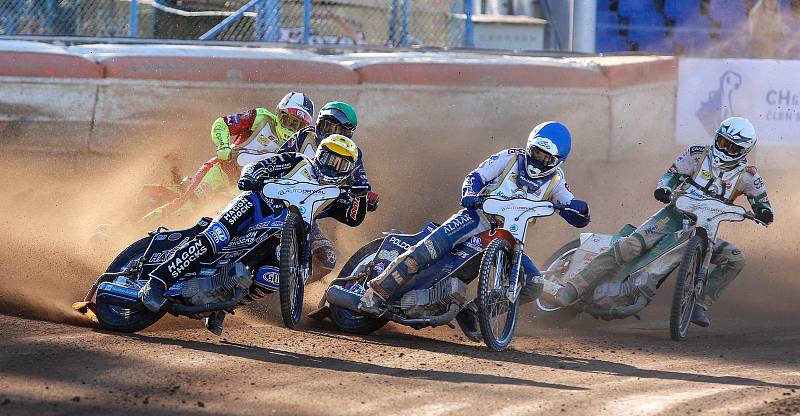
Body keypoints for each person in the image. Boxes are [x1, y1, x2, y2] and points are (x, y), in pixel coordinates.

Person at [358, 121, 590, 340]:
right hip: (476, 217)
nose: (539, 160)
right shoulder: (509, 157)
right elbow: (476, 176)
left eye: (547, 158)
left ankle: (474, 312)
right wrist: (470, 193)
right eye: (537, 152)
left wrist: (580, 210)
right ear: (530, 146)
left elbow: (571, 209)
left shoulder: (556, 181)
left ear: (558, 161)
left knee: (534, 285)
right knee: (427, 250)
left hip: (510, 238)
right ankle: (376, 293)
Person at [139, 135, 374, 335]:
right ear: (319, 154)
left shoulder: (337, 192)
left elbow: (353, 218)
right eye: (328, 158)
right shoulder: (297, 161)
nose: (332, 166)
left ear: (349, 170)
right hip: (255, 207)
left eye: (340, 164)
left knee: (270, 277)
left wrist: (361, 196)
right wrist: (250, 177)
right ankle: (158, 281)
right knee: (216, 238)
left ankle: (217, 307)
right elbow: (262, 165)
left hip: (285, 235)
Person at [553, 117, 774, 327]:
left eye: (732, 147)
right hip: (673, 216)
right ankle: (574, 286)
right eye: (722, 142)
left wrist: (764, 213)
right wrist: (664, 188)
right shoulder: (697, 154)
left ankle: (699, 305)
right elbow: (672, 174)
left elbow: (762, 203)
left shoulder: (748, 176)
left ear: (743, 151)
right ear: (716, 137)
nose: (724, 149)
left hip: (707, 230)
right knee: (631, 246)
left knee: (736, 259)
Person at [142, 92, 314, 222]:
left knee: (221, 219)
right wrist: (224, 147)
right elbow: (221, 124)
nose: (291, 127)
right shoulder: (261, 117)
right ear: (279, 113)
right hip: (220, 171)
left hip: (246, 189)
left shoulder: (301, 147)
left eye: (297, 125)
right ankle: (140, 225)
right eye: (288, 120)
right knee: (188, 205)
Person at [279, 101, 380, 275]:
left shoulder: (352, 153)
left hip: (310, 211)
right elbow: (280, 158)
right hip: (280, 199)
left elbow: (360, 181)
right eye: (329, 128)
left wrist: (365, 196)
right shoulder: (304, 136)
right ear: (319, 124)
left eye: (341, 132)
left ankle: (291, 285)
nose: (333, 136)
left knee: (327, 260)